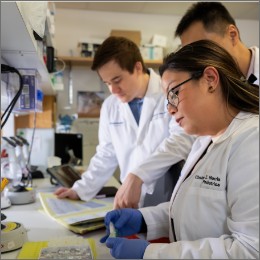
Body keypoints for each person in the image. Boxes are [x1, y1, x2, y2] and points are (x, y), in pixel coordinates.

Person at [100, 40, 259, 259]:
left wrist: (152, 254)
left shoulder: (252, 140)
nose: (170, 109)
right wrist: (145, 219)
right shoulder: (205, 140)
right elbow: (193, 211)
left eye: (174, 93)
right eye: (166, 100)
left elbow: (251, 250)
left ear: (210, 80)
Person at [113, 1, 259, 209]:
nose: (195, 58)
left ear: (232, 35)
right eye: (189, 51)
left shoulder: (250, 130)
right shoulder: (206, 113)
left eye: (202, 47)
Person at [54, 36, 193, 206]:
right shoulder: (110, 106)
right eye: (107, 83)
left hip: (166, 198)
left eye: (117, 80)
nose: (113, 90)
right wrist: (80, 189)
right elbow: (106, 154)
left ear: (137, 67)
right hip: (129, 199)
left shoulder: (168, 93)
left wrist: (140, 174)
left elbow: (182, 139)